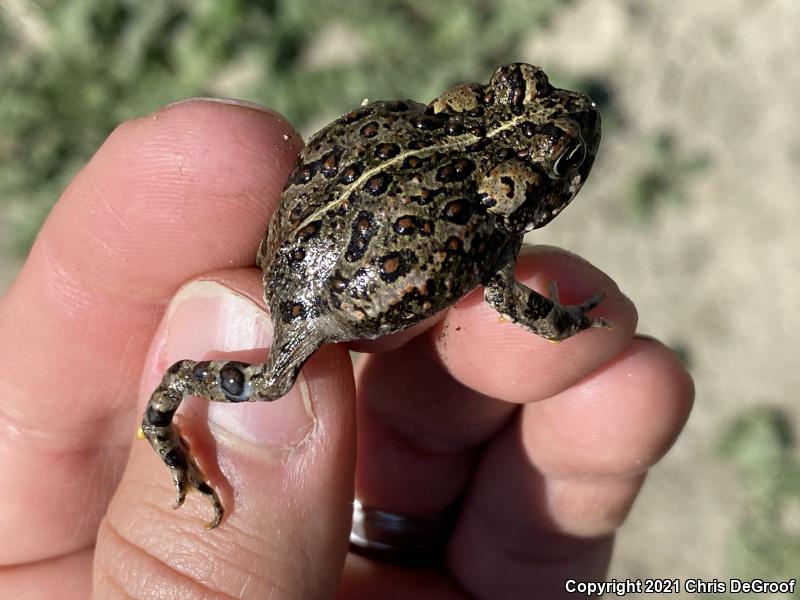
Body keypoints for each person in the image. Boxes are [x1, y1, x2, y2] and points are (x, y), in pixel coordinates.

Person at [0, 98, 693, 599]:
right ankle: (164, 412)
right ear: (532, 198)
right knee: (273, 386)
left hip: (300, 234)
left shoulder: (460, 165)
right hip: (310, 300)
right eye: (566, 161)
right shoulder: (492, 229)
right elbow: (517, 306)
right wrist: (567, 325)